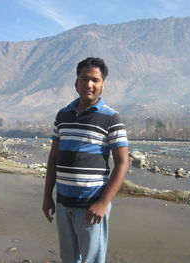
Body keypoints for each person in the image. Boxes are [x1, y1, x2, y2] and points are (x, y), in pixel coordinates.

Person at [42, 57, 129, 263]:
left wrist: (103, 202)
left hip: (92, 207)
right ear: (76, 83)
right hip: (63, 204)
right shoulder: (62, 115)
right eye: (84, 79)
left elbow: (123, 163)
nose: (88, 84)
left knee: (91, 260)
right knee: (69, 259)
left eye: (95, 80)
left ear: (102, 85)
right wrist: (47, 197)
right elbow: (53, 158)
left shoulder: (111, 118)